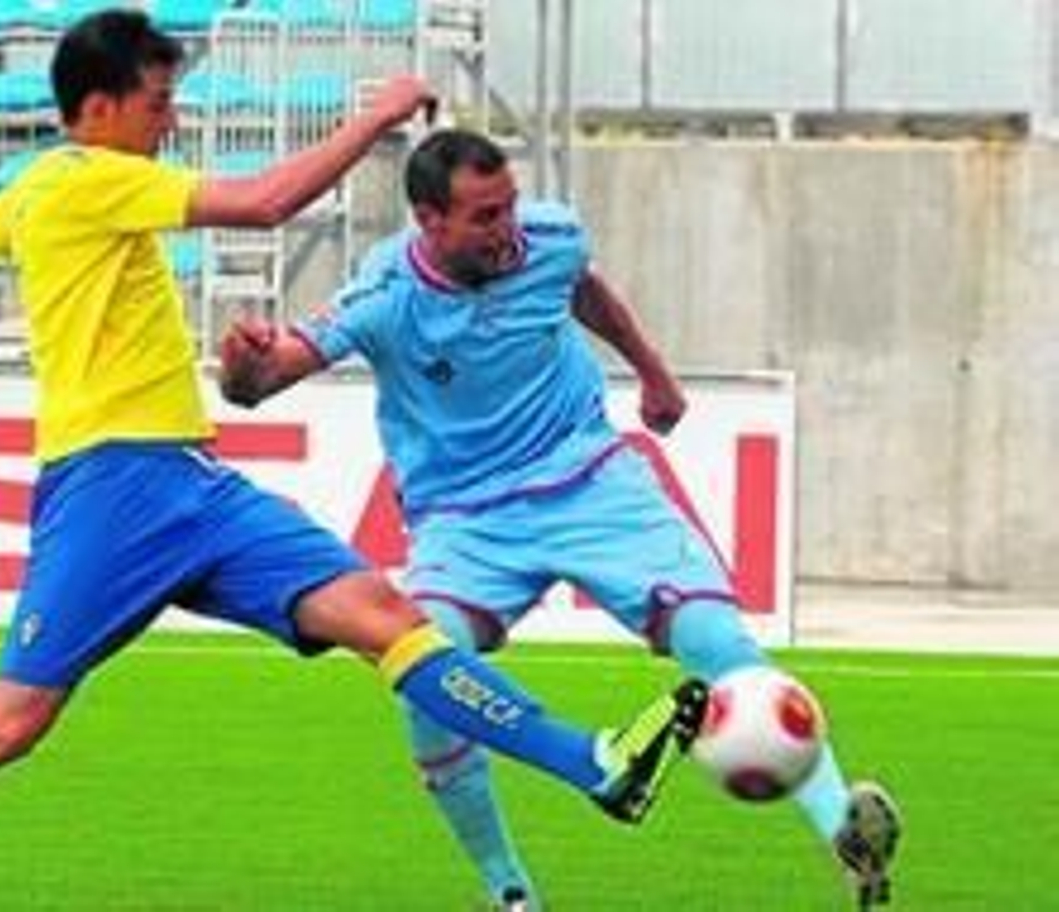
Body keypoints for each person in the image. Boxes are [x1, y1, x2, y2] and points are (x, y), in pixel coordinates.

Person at [0, 14, 708, 911]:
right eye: (157, 101)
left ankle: (595, 765)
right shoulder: (98, 176)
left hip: (189, 485)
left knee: (385, 617)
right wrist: (380, 117)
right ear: (97, 109)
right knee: (6, 726)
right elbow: (267, 204)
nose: (170, 119)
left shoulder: (41, 189)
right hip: (112, 486)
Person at [217, 127, 904, 911]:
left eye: (508, 205)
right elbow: (262, 382)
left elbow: (580, 289)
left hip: (591, 481)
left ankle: (844, 835)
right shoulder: (383, 298)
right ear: (428, 221)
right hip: (465, 518)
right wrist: (245, 364)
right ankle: (510, 891)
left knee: (720, 643)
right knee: (424, 677)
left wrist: (651, 372)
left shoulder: (549, 235)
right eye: (483, 217)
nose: (506, 228)